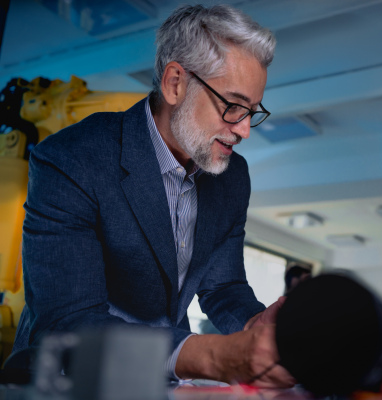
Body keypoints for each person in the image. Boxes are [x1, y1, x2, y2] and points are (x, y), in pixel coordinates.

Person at [8, 4, 294, 388]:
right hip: (63, 380)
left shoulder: (231, 177)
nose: (244, 130)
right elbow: (69, 322)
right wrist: (214, 355)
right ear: (175, 83)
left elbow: (223, 286)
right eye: (232, 106)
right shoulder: (72, 158)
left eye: (252, 112)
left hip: (161, 377)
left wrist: (253, 325)